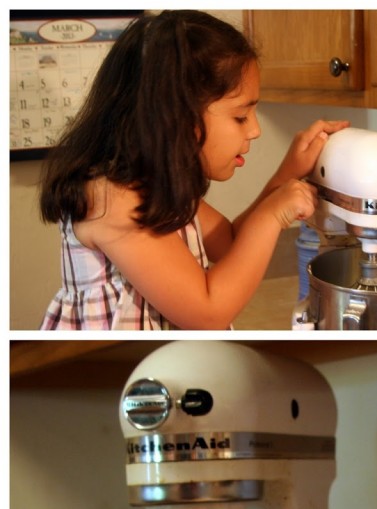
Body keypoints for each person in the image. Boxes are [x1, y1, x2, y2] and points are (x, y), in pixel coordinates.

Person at [39, 10, 347, 330]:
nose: (255, 130)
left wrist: (288, 174)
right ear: (176, 117)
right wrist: (273, 214)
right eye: (241, 116)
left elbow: (229, 242)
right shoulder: (113, 199)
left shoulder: (160, 184)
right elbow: (209, 313)